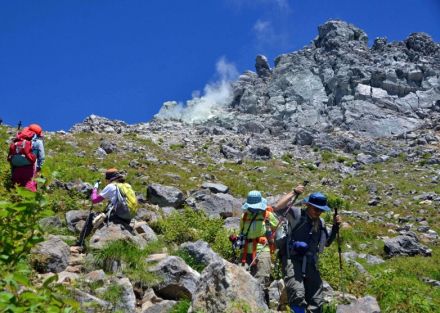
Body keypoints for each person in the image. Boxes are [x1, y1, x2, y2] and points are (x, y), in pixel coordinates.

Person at [274, 190, 342, 313]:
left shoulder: (320, 223)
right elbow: (277, 208)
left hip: (310, 263)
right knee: (297, 293)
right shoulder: (296, 214)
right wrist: (293, 192)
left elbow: (326, 242)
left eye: (321, 210)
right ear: (308, 205)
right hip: (292, 260)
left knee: (317, 299)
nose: (318, 212)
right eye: (315, 208)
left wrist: (335, 227)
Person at [76, 168, 138, 248]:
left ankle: (80, 242)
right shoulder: (127, 186)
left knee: (92, 216)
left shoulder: (111, 186)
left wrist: (95, 188)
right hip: (128, 217)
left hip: (118, 215)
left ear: (109, 179)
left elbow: (94, 200)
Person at [238, 190, 278, 301]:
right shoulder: (244, 216)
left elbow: (278, 227)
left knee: (262, 277)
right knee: (242, 277)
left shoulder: (267, 215)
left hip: (263, 249)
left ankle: (259, 302)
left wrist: (271, 239)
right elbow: (241, 233)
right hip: (246, 251)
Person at [8, 123, 45, 192]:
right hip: (30, 169)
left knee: (16, 189)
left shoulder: (18, 139)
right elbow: (41, 157)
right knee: (29, 191)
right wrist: (39, 169)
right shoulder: (38, 142)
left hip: (16, 168)